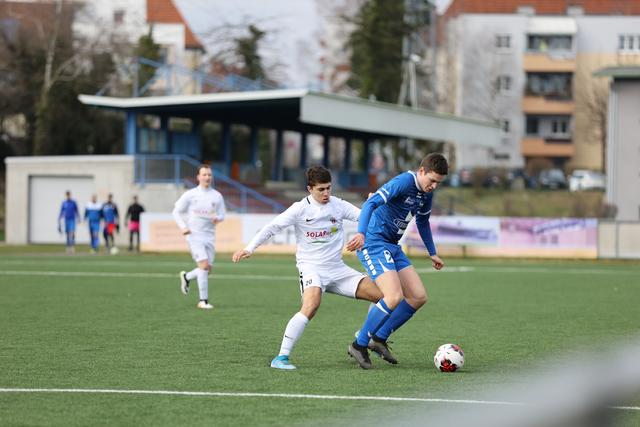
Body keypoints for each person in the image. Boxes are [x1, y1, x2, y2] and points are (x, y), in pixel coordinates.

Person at [232, 166, 384, 370]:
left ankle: (364, 334)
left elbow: (365, 216)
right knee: (311, 306)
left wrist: (373, 205)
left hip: (337, 269)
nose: (326, 193)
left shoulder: (338, 205)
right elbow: (272, 227)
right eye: (321, 189)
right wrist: (250, 248)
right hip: (312, 268)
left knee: (385, 296)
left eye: (329, 188)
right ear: (309, 189)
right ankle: (281, 358)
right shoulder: (299, 209)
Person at [345, 153, 448, 369]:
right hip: (374, 243)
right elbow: (371, 203)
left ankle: (379, 338)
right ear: (421, 171)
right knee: (393, 296)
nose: (434, 186)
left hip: (392, 246)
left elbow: (423, 221)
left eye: (438, 183)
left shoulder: (426, 193)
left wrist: (432, 252)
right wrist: (361, 233)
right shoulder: (403, 182)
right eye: (432, 181)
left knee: (418, 296)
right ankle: (359, 344)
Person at [173, 164, 226, 310]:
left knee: (207, 269)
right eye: (204, 175)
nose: (207, 177)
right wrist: (183, 227)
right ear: (198, 177)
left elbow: (222, 214)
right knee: (203, 266)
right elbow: (176, 211)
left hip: (210, 236)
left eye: (209, 175)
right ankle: (203, 301)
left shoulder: (217, 196)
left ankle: (187, 277)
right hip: (194, 236)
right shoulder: (191, 194)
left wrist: (218, 218)